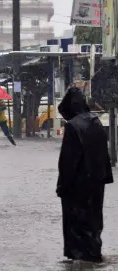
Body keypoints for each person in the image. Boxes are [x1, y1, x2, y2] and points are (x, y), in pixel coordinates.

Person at [57, 87, 113, 262]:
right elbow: (105, 155)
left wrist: (62, 186)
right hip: (97, 182)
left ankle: (80, 258)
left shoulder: (72, 126)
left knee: (76, 224)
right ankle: (94, 254)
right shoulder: (96, 122)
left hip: (77, 185)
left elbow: (68, 161)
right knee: (94, 221)